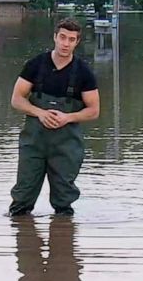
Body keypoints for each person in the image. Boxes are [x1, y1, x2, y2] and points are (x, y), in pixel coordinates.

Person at [9, 18, 100, 216]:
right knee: (22, 199)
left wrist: (68, 117)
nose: (66, 43)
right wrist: (40, 113)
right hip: (33, 143)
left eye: (71, 39)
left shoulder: (84, 73)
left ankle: (63, 239)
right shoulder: (35, 65)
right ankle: (21, 237)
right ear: (55, 38)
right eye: (63, 38)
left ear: (77, 42)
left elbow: (94, 110)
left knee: (63, 202)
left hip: (66, 145)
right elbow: (16, 99)